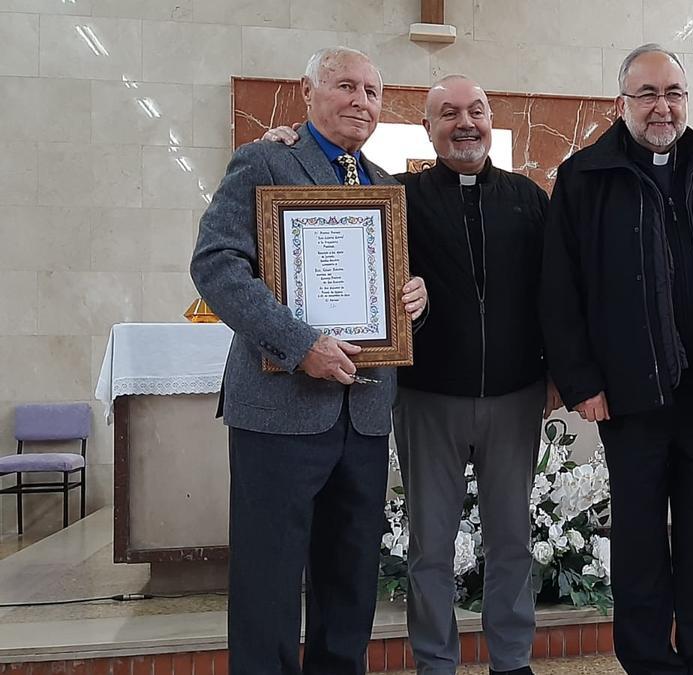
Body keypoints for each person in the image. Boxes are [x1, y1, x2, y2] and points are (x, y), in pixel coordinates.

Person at [263, 74, 557, 675]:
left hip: (515, 396)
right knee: (430, 547)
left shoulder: (528, 198)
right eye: (449, 113)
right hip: (427, 400)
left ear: (491, 119)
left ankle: (512, 660)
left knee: (512, 541)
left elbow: (554, 294)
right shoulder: (395, 197)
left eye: (476, 110)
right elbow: (331, 202)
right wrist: (285, 145)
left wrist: (557, 374)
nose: (466, 123)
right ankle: (435, 661)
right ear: (428, 128)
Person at [190, 46, 428, 675]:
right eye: (346, 85)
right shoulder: (265, 160)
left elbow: (386, 298)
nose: (361, 101)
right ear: (308, 91)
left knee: (349, 584)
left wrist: (413, 300)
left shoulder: (384, 188)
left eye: (373, 92)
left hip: (365, 415)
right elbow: (216, 264)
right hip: (279, 413)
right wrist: (302, 346)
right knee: (268, 584)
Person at [540, 43, 693, 675]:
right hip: (631, 398)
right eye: (647, 94)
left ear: (686, 100)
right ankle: (647, 664)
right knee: (640, 545)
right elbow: (560, 291)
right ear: (622, 103)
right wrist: (582, 381)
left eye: (672, 93)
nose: (661, 107)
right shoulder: (585, 176)